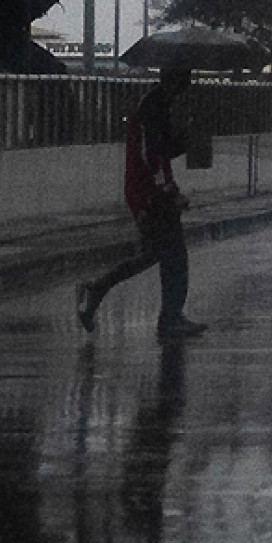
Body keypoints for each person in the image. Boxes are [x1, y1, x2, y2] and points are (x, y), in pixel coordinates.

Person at [77, 67, 208, 340]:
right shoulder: (154, 108)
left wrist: (186, 138)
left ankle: (98, 290)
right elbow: (152, 157)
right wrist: (168, 191)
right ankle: (169, 318)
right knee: (174, 256)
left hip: (148, 192)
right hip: (150, 194)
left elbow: (162, 149)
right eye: (183, 88)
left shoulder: (157, 105)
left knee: (156, 253)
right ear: (174, 84)